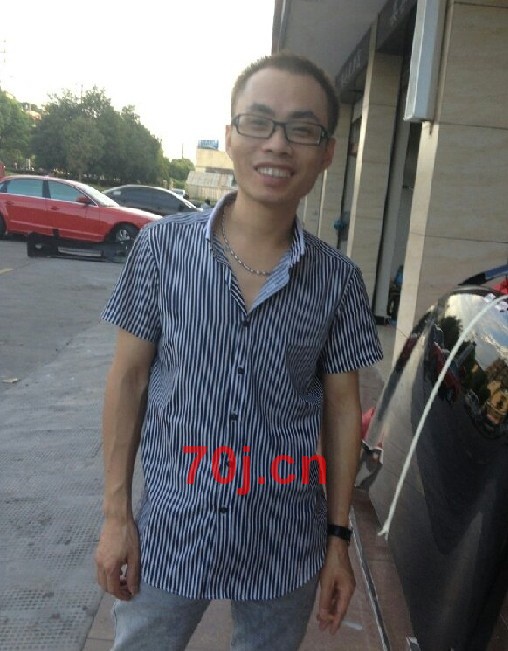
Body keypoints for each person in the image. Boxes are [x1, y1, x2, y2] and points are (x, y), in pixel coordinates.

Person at [95, 51, 383, 651]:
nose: (277, 144)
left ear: (327, 153)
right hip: (170, 533)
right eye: (259, 122)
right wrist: (117, 516)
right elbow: (128, 381)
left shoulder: (339, 281)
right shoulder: (161, 250)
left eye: (302, 129)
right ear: (230, 136)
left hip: (286, 541)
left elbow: (340, 410)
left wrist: (338, 541)